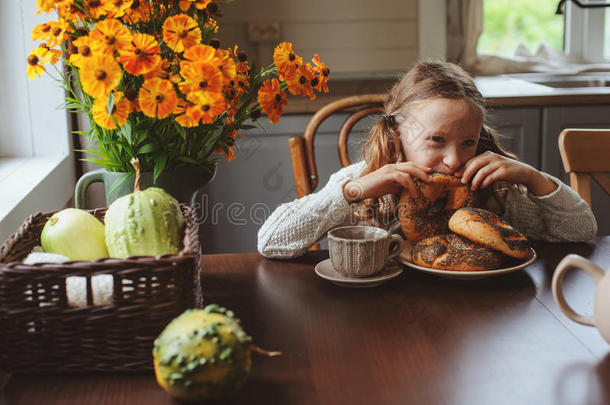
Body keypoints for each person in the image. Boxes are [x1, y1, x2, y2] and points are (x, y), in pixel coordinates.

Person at [257, 61, 597, 259]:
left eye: (468, 142)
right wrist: (351, 191)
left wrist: (535, 178)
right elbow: (271, 241)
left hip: (480, 315)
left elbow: (582, 231)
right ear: (397, 133)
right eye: (436, 140)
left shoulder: (497, 190)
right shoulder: (365, 180)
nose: (453, 160)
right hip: (382, 320)